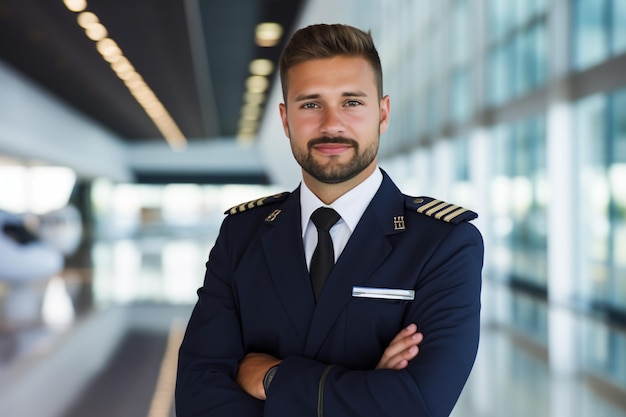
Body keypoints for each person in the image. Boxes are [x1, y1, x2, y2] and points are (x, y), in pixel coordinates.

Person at [175, 23, 483, 417]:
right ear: (286, 121)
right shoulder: (242, 234)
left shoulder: (442, 243)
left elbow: (417, 404)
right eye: (310, 104)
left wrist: (272, 378)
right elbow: (198, 397)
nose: (331, 124)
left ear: (383, 113)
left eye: (352, 102)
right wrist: (369, 387)